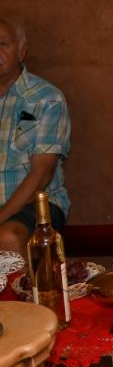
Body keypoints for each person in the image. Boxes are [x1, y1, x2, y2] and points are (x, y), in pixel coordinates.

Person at [0, 16, 71, 254]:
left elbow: (42, 174)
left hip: (36, 203)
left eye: (2, 44)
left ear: (22, 51)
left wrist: (1, 216)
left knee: (7, 237)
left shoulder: (46, 98)